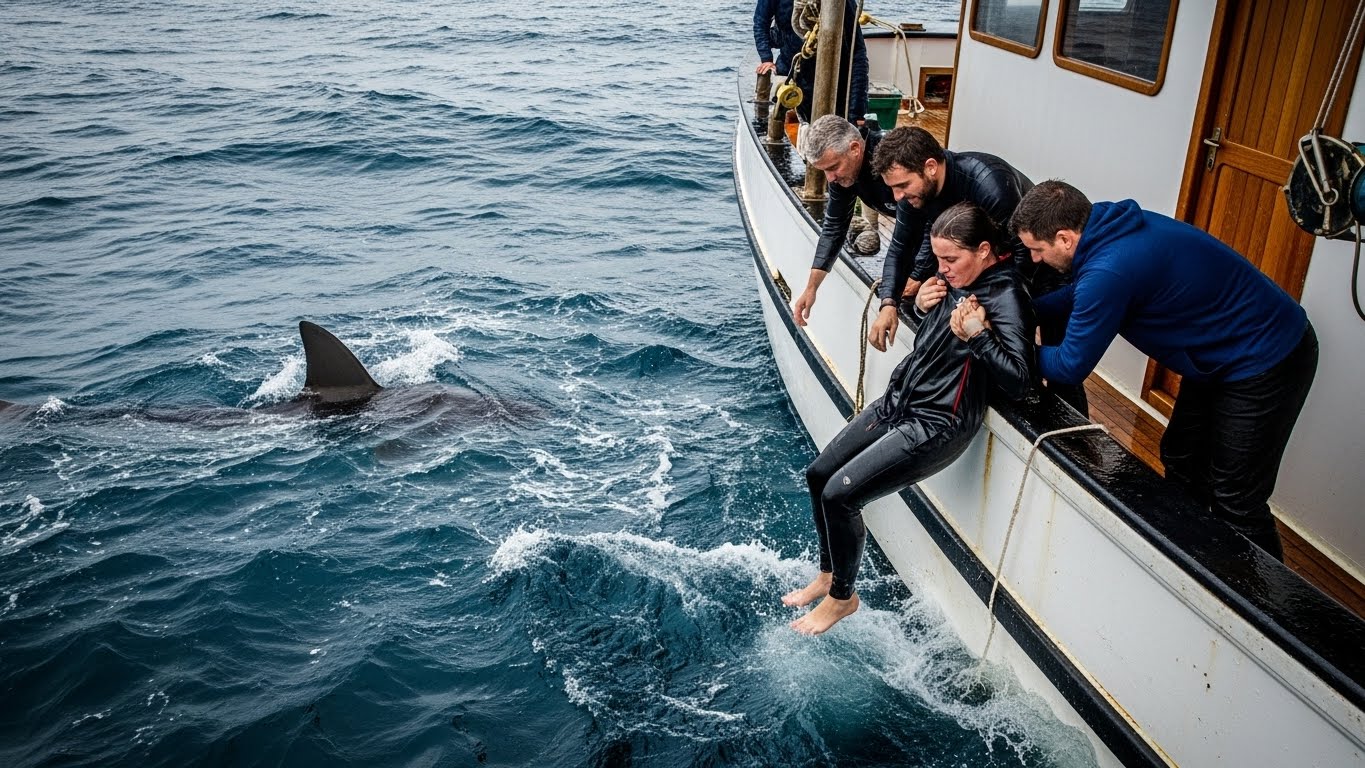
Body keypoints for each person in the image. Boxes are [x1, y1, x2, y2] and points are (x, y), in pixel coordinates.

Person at [1009, 180, 1318, 561]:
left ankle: (1261, 606)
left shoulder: (1110, 270)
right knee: (1182, 457)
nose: (1035, 260)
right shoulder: (1104, 227)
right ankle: (1190, 558)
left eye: (1037, 250)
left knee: (1236, 495)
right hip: (1220, 355)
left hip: (1269, 357)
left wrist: (1008, 350)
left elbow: (1070, 366)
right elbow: (1078, 294)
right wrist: (1024, 310)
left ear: (1065, 238)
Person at [785, 203, 1036, 634]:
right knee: (818, 474)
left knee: (839, 497)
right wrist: (919, 305)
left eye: (950, 260)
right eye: (938, 259)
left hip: (937, 424)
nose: (941, 269)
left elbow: (1019, 379)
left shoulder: (1006, 297)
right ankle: (828, 575)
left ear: (984, 250)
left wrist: (978, 334)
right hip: (899, 403)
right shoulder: (956, 279)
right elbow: (934, 340)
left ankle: (842, 599)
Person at [791, 116, 922, 327]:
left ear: (854, 148)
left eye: (833, 167)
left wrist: (916, 276)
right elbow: (834, 227)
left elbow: (926, 224)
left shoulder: (892, 161)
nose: (830, 178)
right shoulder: (843, 173)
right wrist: (811, 288)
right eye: (824, 170)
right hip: (916, 227)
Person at [753, 0, 868, 123]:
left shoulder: (843, 3)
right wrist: (766, 58)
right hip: (793, 70)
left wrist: (856, 112)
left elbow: (857, 53)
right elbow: (761, 23)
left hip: (834, 78)